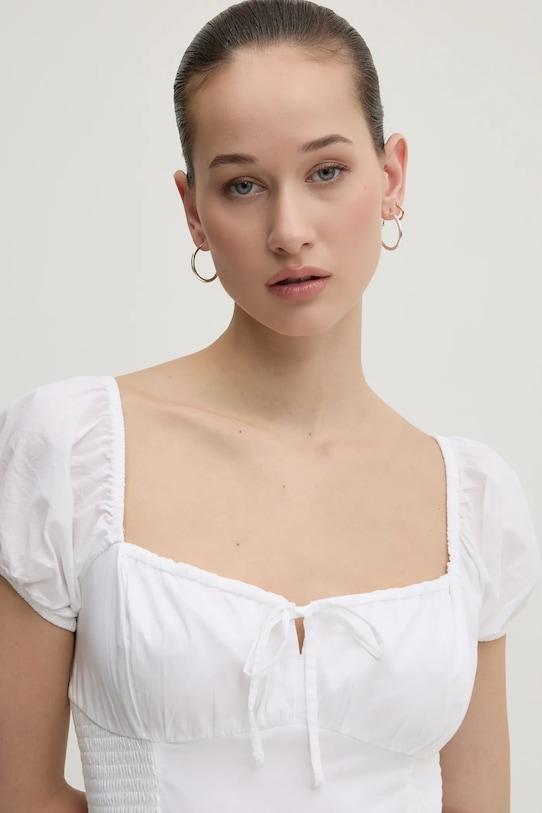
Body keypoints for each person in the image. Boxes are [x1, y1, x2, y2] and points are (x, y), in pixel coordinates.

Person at [0, 1, 540, 811]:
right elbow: (18, 794)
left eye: (326, 172)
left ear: (391, 177)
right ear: (193, 209)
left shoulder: (473, 501)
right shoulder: (73, 452)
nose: (289, 230)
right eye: (243, 185)